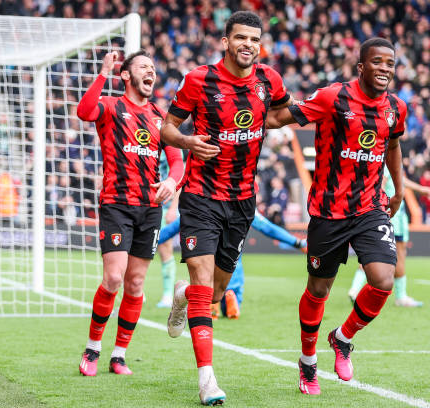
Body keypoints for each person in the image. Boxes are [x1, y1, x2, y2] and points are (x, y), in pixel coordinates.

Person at [160, 11, 291, 405]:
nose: (248, 44)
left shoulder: (269, 79)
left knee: (215, 292)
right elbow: (166, 127)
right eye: (240, 38)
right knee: (205, 287)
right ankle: (207, 380)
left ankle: (182, 294)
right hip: (201, 196)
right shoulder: (199, 80)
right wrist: (188, 142)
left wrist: (310, 110)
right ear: (225, 41)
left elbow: (281, 112)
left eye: (254, 39)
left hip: (242, 200)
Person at [266, 38, 406, 395]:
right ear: (361, 67)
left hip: (371, 207)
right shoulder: (332, 97)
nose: (384, 68)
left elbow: (392, 144)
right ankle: (308, 361)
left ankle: (342, 338)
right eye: (377, 61)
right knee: (319, 289)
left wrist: (399, 190)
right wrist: (246, 114)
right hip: (328, 212)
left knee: (383, 280)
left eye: (390, 63)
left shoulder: (395, 108)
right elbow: (280, 118)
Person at [75, 50, 183, 377]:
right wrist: (103, 73)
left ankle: (119, 355)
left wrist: (172, 181)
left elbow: (177, 162)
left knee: (135, 283)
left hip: (149, 209)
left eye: (153, 67)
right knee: (113, 277)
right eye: (143, 67)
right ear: (126, 75)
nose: (151, 71)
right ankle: (93, 348)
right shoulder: (110, 106)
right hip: (116, 204)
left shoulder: (160, 116)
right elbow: (84, 111)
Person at [157, 210, 307, 319]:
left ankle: (210, 302)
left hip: (207, 270)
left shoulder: (200, 205)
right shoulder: (243, 203)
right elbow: (268, 228)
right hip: (231, 272)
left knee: (203, 287)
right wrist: (297, 242)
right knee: (232, 263)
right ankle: (231, 296)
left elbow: (171, 230)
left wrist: (147, 243)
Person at [348, 166, 430, 307]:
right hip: (392, 216)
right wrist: (379, 207)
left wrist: (421, 189)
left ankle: (354, 290)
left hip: (391, 216)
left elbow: (399, 179)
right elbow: (382, 183)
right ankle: (400, 296)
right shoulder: (388, 158)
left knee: (374, 254)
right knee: (394, 255)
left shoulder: (386, 160)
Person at [155, 152, 180, 308]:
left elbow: (179, 178)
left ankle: (167, 294)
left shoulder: (171, 146)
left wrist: (173, 208)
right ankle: (136, 291)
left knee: (165, 249)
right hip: (142, 204)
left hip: (164, 206)